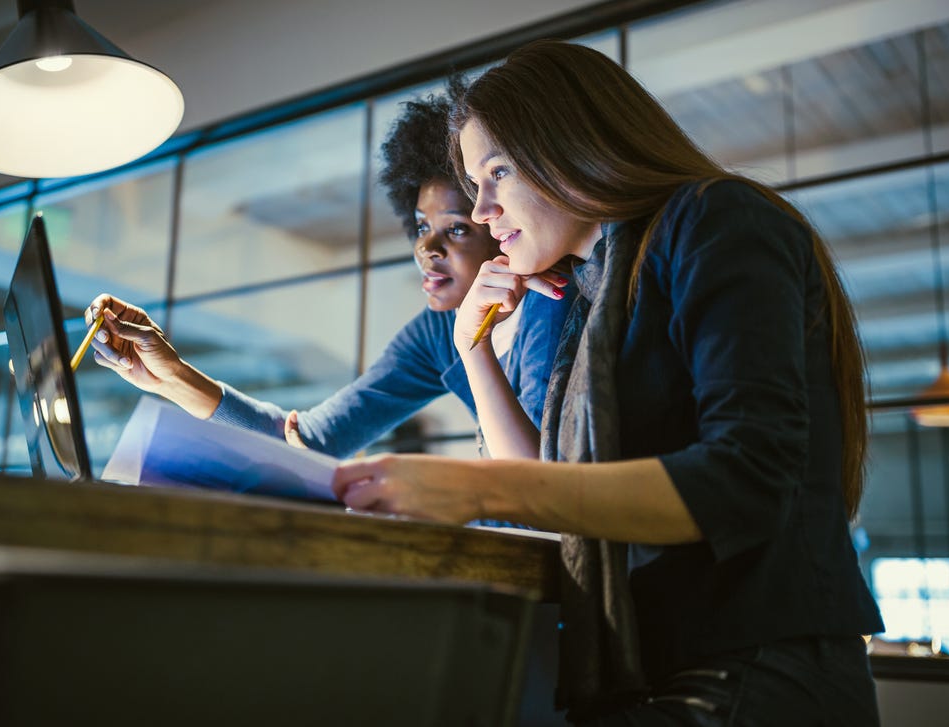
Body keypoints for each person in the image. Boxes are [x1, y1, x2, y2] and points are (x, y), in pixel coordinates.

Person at [330, 41, 884, 725]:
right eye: (477, 185)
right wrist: (471, 350)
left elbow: (746, 477)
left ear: (571, 142)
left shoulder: (717, 219)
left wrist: (472, 488)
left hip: (755, 666)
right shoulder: (587, 293)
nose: (482, 211)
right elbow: (546, 494)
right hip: (660, 669)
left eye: (497, 172)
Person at [86, 90, 571, 460]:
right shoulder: (439, 332)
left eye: (457, 229)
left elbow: (539, 481)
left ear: (498, 222)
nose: (427, 248)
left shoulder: (553, 302)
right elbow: (310, 442)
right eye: (422, 227)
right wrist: (168, 375)